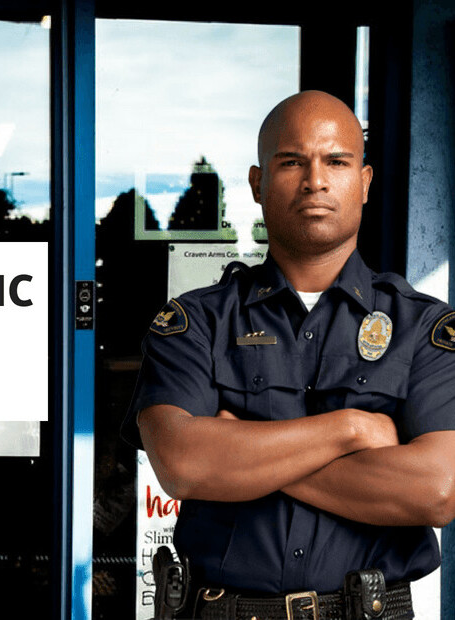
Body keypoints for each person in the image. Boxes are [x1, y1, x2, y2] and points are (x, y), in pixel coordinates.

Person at [125, 91, 455, 620]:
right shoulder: (196, 322)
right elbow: (184, 465)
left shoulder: (425, 328)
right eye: (292, 161)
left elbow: (437, 490)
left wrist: (239, 451)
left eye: (337, 161)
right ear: (258, 184)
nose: (315, 180)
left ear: (365, 182)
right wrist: (349, 430)